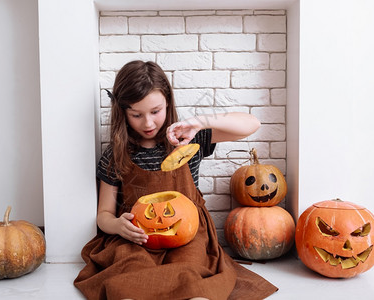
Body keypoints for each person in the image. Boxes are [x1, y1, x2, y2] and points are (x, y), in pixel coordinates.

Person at [74, 60, 278, 300]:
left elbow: (251, 125)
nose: (148, 123)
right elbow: (104, 215)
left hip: (188, 235)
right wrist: (118, 225)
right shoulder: (116, 155)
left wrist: (200, 122)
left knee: (191, 272)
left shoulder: (189, 138)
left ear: (168, 102)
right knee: (130, 274)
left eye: (155, 111)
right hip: (137, 239)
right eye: (136, 115)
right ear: (123, 112)